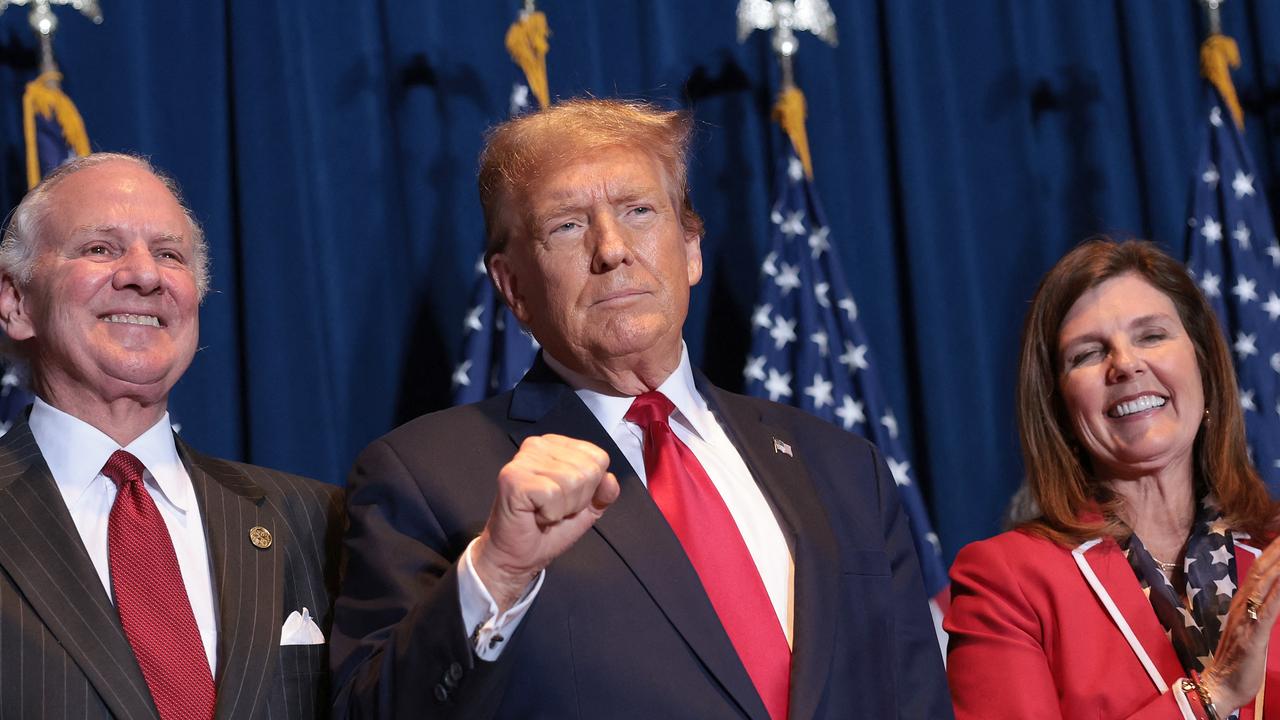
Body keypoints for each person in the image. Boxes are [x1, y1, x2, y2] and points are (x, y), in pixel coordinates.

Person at [331, 98, 950, 719]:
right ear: (513, 287)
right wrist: (495, 572)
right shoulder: (423, 475)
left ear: (691, 249)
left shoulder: (844, 467)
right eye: (567, 225)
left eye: (639, 211)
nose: (612, 249)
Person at [0, 153, 343, 720]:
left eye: (169, 254)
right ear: (16, 303)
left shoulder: (315, 519)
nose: (146, 274)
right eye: (100, 248)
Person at [946, 237, 1280, 719]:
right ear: (1058, 410)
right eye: (1086, 354)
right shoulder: (1007, 583)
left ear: (1204, 365)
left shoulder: (1270, 547)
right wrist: (1211, 695)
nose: (1125, 364)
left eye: (1151, 335)